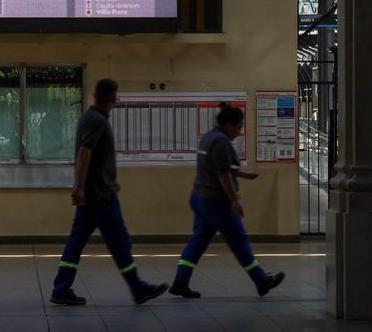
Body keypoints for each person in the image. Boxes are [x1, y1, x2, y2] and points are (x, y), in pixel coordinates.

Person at [51, 78, 168, 306]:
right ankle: (138, 288)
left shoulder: (91, 117)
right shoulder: (97, 121)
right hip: (100, 198)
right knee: (120, 241)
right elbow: (85, 152)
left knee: (76, 243)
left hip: (95, 194)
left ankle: (61, 288)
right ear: (114, 97)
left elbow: (92, 157)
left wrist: (100, 182)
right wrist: (80, 186)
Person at [169, 102, 285, 299]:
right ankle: (261, 281)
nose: (239, 132)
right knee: (239, 241)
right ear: (230, 124)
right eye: (239, 127)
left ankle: (180, 281)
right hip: (217, 203)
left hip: (199, 198)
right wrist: (235, 200)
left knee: (197, 242)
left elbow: (219, 167)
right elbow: (223, 174)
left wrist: (244, 175)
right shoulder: (221, 142)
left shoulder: (208, 137)